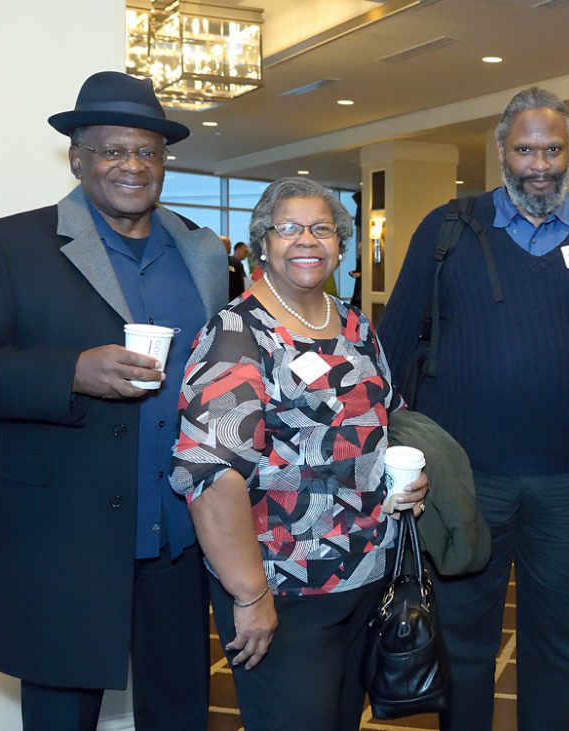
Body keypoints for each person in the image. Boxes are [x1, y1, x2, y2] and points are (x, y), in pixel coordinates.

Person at [0, 71, 225, 730]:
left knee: (180, 716)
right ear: (78, 158)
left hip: (179, 542)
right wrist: (70, 372)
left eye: (147, 151)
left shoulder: (201, 252)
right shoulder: (11, 244)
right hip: (65, 541)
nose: (133, 165)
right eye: (113, 150)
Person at [379, 87, 569, 731]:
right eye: (525, 148)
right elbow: (389, 349)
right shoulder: (448, 228)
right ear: (500, 152)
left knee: (557, 645)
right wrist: (388, 459)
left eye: (552, 149)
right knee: (465, 643)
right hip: (463, 481)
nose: (540, 163)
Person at [169, 177, 428, 731]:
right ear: (262, 242)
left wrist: (408, 479)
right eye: (288, 229)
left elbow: (387, 420)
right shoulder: (236, 335)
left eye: (321, 229)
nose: (306, 240)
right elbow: (210, 478)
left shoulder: (356, 325)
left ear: (340, 243)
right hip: (285, 590)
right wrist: (249, 594)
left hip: (364, 577)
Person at [224, 235, 246, 300]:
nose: (230, 247)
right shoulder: (212, 264)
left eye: (230, 245)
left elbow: (240, 286)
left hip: (234, 300)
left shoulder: (236, 263)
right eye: (227, 245)